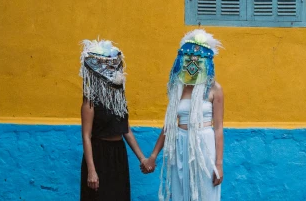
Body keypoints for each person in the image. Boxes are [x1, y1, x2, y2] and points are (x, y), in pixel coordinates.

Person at [142, 29, 225, 201]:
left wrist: (218, 164)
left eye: (199, 57)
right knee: (181, 192)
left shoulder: (215, 88)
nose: (194, 60)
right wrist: (153, 155)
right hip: (180, 144)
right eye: (190, 56)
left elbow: (218, 128)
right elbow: (169, 125)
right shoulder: (177, 87)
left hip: (204, 145)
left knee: (205, 192)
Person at [79, 39, 152, 201]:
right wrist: (91, 170)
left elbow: (126, 130)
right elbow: (86, 136)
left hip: (118, 154)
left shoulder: (119, 98)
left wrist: (142, 158)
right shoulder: (89, 101)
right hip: (99, 155)